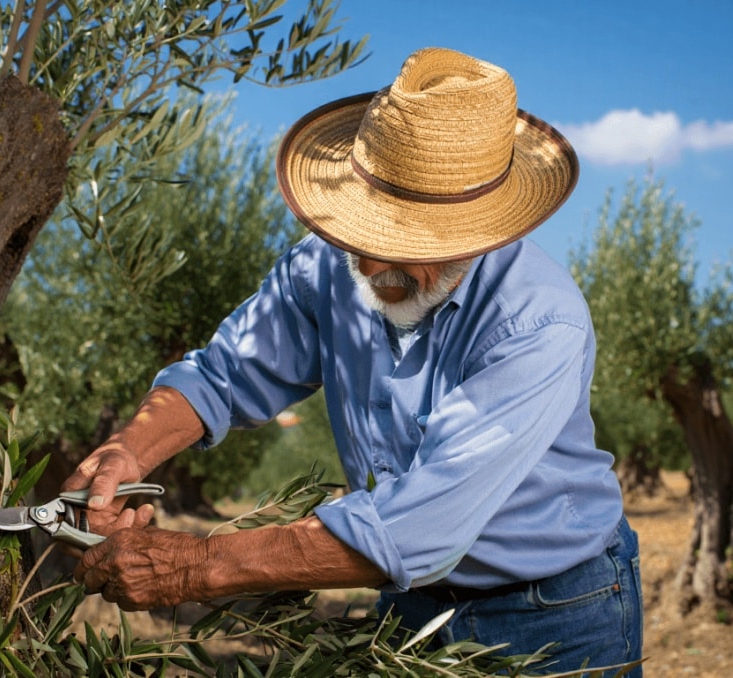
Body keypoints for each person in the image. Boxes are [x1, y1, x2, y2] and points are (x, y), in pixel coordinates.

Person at [65, 47, 643, 675]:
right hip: (408, 605)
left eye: (405, 245)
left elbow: (414, 530)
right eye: (362, 237)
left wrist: (194, 567)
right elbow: (223, 375)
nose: (369, 267)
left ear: (481, 234)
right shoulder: (325, 264)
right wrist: (130, 450)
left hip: (554, 613)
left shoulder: (537, 323)